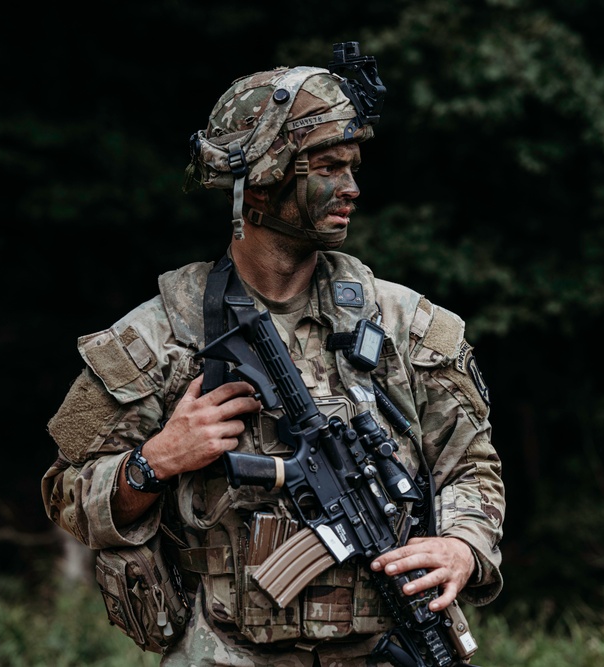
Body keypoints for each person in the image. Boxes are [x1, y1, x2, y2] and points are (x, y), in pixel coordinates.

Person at [42, 43, 505, 667]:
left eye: (353, 166)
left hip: (386, 649)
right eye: (328, 167)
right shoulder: (157, 339)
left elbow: (472, 467)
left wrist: (463, 547)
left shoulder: (409, 327)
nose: (352, 188)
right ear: (258, 183)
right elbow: (66, 494)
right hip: (224, 652)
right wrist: (154, 462)